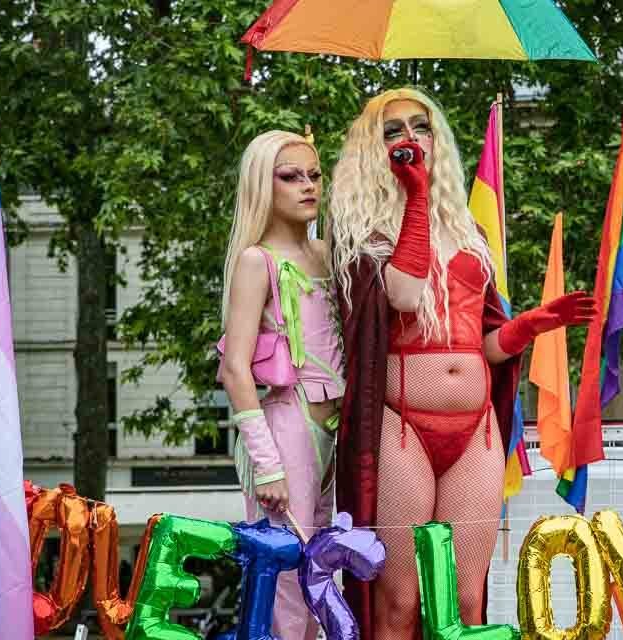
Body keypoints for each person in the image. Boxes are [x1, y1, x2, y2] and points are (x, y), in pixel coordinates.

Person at [330, 87, 595, 639]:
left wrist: (532, 323)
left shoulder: (471, 235)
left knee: (466, 596)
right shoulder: (362, 232)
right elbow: (403, 296)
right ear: (373, 149)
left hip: (475, 431)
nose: (408, 138)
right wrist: (417, 197)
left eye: (419, 127)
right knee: (400, 598)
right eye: (392, 130)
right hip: (401, 426)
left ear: (437, 139)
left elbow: (487, 346)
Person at [218, 130, 342, 640]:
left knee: (326, 576)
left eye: (314, 174)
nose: (307, 186)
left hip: (339, 430)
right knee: (288, 581)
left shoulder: (329, 253)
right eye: (291, 176)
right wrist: (266, 463)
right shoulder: (256, 260)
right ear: (262, 185)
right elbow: (234, 368)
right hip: (288, 425)